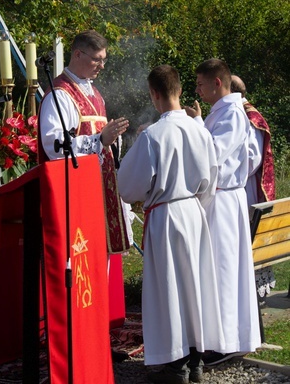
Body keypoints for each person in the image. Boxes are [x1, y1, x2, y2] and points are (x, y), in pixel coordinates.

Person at [118, 65, 226, 384]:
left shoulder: (153, 135)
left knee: (169, 290)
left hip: (166, 216)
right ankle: (195, 360)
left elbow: (128, 187)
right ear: (179, 90)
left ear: (154, 94)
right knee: (194, 287)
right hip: (193, 212)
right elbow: (212, 177)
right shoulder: (199, 129)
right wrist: (197, 205)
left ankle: (173, 364)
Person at [185, 59, 261, 365]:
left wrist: (190, 126)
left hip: (224, 201)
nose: (197, 90)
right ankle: (226, 337)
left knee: (223, 271)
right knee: (219, 269)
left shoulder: (231, 112)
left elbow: (212, 153)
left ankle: (225, 341)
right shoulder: (223, 110)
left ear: (218, 83)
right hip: (219, 199)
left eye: (201, 84)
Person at [37, 29, 130, 254]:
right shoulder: (60, 95)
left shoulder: (95, 94)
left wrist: (112, 140)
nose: (102, 65)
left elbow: (101, 141)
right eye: (97, 59)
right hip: (75, 192)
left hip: (100, 190)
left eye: (104, 59)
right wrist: (99, 140)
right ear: (78, 54)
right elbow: (54, 146)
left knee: (100, 259)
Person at [231, 74, 276, 299]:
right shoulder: (241, 113)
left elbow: (252, 158)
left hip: (246, 187)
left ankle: (247, 290)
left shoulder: (248, 117)